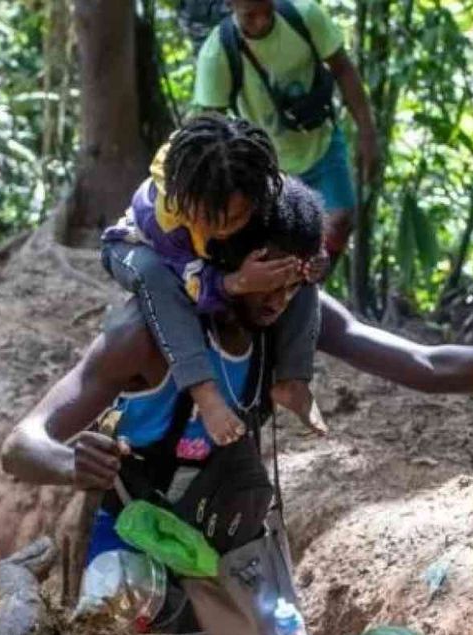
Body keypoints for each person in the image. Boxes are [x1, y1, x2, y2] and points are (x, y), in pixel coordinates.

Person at [1, 181, 473, 635]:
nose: (277, 300)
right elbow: (21, 445)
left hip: (221, 557)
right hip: (131, 543)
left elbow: (427, 364)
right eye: (265, 280)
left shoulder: (289, 320)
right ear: (228, 267)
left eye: (292, 285)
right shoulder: (143, 336)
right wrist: (69, 461)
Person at [102, 115, 326, 452]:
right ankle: (206, 395)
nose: (221, 228)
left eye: (236, 218)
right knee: (156, 279)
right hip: (138, 250)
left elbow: (297, 225)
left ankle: (294, 380)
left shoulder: (253, 182)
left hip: (208, 259)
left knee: (296, 268)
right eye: (210, 218)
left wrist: (310, 260)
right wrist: (235, 283)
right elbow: (190, 283)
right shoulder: (163, 219)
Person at [194, 0, 378, 271]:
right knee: (278, 247)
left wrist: (367, 132)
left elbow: (342, 68)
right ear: (230, 5)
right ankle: (290, 295)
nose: (261, 21)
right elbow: (211, 123)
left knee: (340, 221)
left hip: (321, 142)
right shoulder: (219, 51)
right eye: (250, 16)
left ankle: (314, 286)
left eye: (266, 11)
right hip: (269, 164)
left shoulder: (303, 17)